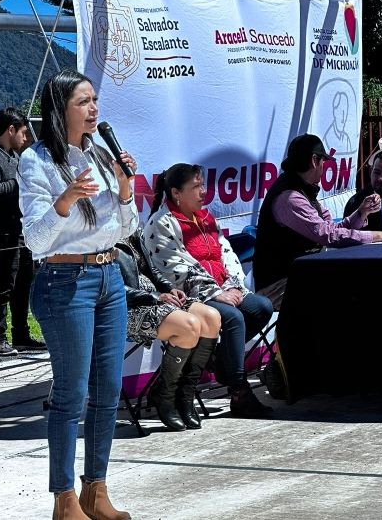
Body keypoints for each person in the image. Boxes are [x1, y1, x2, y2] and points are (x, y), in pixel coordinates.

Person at [17, 69, 138, 520]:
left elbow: (126, 230)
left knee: (108, 390)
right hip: (65, 282)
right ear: (60, 108)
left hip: (109, 279)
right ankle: (64, 500)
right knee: (71, 393)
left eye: (94, 101)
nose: (94, 110)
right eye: (83, 102)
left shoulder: (103, 156)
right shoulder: (37, 161)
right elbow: (35, 239)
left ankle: (96, 491)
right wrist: (64, 201)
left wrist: (125, 192)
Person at [144, 164, 276, 418]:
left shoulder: (205, 218)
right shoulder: (161, 224)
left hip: (219, 290)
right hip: (187, 296)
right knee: (233, 318)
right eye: (195, 187)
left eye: (203, 185)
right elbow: (176, 268)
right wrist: (216, 294)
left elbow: (226, 254)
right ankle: (239, 390)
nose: (203, 192)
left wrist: (232, 286)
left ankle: (221, 360)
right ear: (176, 193)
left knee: (262, 307)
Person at [253, 134, 382, 309]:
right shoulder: (290, 198)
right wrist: (378, 236)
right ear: (314, 161)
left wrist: (361, 212)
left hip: (301, 272)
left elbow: (332, 229)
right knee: (352, 289)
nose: (324, 168)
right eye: (323, 162)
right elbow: (329, 236)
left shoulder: (303, 191)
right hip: (277, 285)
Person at [115, 229, 221, 431]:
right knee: (188, 325)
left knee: (211, 318)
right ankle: (165, 395)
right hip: (127, 307)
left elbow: (153, 271)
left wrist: (167, 289)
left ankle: (185, 394)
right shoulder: (102, 234)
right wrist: (155, 297)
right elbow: (113, 288)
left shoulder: (131, 230)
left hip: (156, 299)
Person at [0, 107, 45, 356]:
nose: (26, 138)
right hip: (2, 233)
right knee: (3, 287)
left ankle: (21, 334)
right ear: (10, 130)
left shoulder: (14, 156)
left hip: (20, 231)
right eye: (22, 132)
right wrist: (21, 182)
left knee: (22, 285)